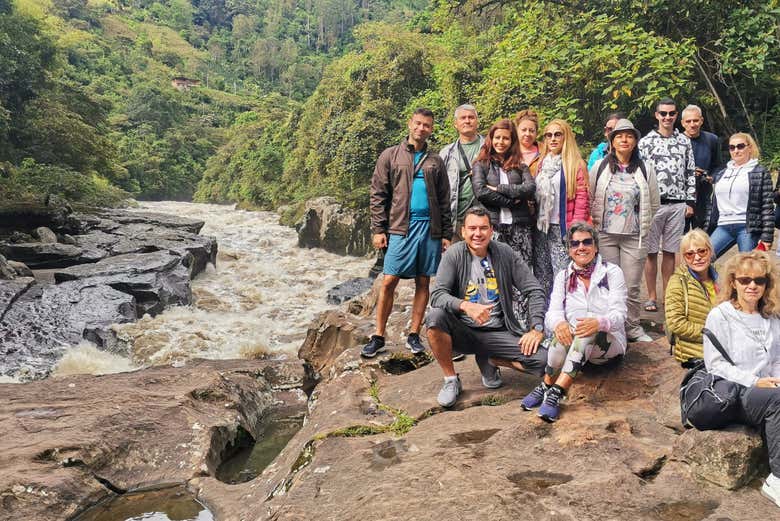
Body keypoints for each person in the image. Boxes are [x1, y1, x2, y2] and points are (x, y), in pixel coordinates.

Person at [427, 207, 547, 407]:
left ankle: (491, 359)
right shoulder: (453, 255)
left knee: (544, 360)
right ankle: (450, 380)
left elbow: (535, 290)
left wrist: (536, 328)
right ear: (463, 231)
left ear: (492, 230)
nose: (477, 234)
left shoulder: (504, 253)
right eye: (472, 228)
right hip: (462, 330)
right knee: (435, 318)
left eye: (483, 228)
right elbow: (437, 295)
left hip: (497, 331)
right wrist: (466, 306)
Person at [363, 108, 452, 358]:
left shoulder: (435, 160)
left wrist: (446, 232)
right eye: (418, 123)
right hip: (401, 226)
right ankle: (378, 335)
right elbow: (378, 193)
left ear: (431, 129)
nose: (421, 128)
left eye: (426, 125)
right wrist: (378, 229)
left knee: (423, 280)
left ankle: (414, 334)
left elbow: (445, 199)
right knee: (389, 280)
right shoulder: (390, 155)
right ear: (409, 124)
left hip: (430, 228)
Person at [520, 222, 627, 422]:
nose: (581, 247)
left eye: (586, 242)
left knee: (587, 329)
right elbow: (552, 312)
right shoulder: (563, 276)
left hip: (608, 346)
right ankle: (546, 385)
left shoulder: (612, 272)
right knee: (564, 333)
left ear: (595, 246)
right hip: (576, 348)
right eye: (575, 243)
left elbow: (621, 314)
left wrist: (599, 323)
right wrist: (559, 324)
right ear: (569, 250)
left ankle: (556, 392)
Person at [702, 251, 780, 509]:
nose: (752, 286)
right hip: (737, 392)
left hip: (769, 387)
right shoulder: (721, 315)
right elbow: (715, 365)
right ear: (733, 282)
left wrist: (776, 378)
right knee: (777, 402)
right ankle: (776, 479)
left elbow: (777, 358)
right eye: (745, 280)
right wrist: (755, 382)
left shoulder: (771, 315)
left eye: (759, 280)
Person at [590, 118, 659, 342]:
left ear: (635, 141)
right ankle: (610, 327)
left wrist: (642, 223)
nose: (624, 139)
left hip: (634, 237)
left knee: (631, 286)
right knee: (608, 283)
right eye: (619, 135)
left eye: (629, 136)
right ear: (612, 140)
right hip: (605, 235)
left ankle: (632, 327)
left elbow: (655, 202)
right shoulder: (600, 167)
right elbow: (590, 196)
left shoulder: (645, 169)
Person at [638, 97, 696, 312]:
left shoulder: (684, 142)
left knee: (671, 252)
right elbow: (640, 174)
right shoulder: (646, 142)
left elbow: (690, 172)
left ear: (676, 115)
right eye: (663, 113)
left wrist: (690, 201)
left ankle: (668, 296)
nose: (668, 117)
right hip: (654, 204)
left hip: (678, 203)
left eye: (671, 113)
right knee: (651, 252)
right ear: (657, 115)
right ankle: (652, 296)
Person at [534, 118, 590, 295]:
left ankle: (565, 313)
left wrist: (576, 230)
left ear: (566, 137)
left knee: (563, 272)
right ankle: (545, 315)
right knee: (543, 273)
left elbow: (582, 200)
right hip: (542, 227)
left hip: (563, 228)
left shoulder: (575, 164)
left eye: (557, 134)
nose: (553, 139)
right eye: (548, 135)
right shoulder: (542, 163)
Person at [472, 119, 536, 266]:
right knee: (494, 274)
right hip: (493, 227)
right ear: (491, 139)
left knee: (520, 272)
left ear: (512, 141)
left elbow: (530, 188)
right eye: (497, 137)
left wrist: (501, 188)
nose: (501, 142)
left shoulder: (520, 166)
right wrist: (511, 202)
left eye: (506, 138)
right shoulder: (481, 165)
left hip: (520, 227)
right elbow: (481, 192)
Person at [705, 132, 773, 257]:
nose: (736, 150)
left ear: (750, 148)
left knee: (749, 268)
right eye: (732, 147)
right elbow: (714, 205)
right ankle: (714, 277)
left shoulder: (760, 172)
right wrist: (707, 228)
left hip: (747, 228)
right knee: (701, 260)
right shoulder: (722, 173)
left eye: (740, 146)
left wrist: (767, 237)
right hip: (723, 226)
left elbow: (767, 206)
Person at [664, 229, 718, 364]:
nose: (697, 258)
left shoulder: (722, 277)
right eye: (689, 254)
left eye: (702, 251)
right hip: (695, 355)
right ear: (684, 257)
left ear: (710, 251)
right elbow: (676, 323)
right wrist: (714, 335)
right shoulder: (677, 282)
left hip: (726, 349)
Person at [439, 104, 484, 241]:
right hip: (455, 218)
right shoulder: (447, 153)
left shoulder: (489, 147)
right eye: (463, 118)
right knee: (456, 259)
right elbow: (439, 188)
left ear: (477, 121)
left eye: (471, 117)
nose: (467, 121)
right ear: (456, 124)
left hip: (483, 218)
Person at [681, 105, 722, 230]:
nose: (692, 124)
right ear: (683, 123)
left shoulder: (712, 139)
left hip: (704, 192)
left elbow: (718, 165)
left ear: (701, 121)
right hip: (681, 195)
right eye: (688, 121)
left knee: (703, 233)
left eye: (695, 120)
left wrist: (712, 177)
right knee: (680, 237)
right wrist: (689, 173)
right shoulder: (676, 141)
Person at [514, 109, 541, 176]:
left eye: (531, 131)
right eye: (524, 130)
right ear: (516, 131)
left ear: (536, 133)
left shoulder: (544, 152)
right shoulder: (508, 152)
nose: (527, 134)